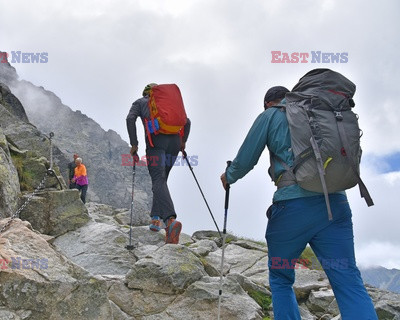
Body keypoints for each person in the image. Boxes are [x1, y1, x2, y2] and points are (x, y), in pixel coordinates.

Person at [220, 86, 377, 319]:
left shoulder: (270, 115)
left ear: (268, 103)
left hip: (293, 206)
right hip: (335, 204)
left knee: (281, 279)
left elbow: (246, 158)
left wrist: (229, 176)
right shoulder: (318, 112)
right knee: (347, 279)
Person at [126, 83, 191, 244]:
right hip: (175, 142)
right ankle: (155, 219)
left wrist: (134, 144)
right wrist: (183, 142)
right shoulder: (167, 104)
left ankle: (170, 221)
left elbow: (130, 119)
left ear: (145, 93)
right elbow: (187, 122)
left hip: (156, 143)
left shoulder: (140, 102)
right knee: (161, 180)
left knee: (158, 179)